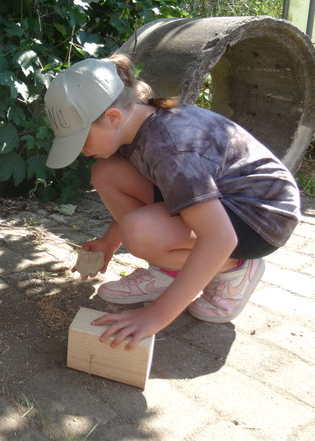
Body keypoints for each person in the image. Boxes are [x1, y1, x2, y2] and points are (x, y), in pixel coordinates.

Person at [44, 55, 300, 350]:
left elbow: (219, 236)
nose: (81, 150)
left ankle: (235, 269)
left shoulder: (171, 148)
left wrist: (155, 315)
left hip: (259, 218)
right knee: (107, 173)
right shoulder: (135, 125)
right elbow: (160, 190)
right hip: (222, 200)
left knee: (139, 231)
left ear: (113, 117)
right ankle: (170, 269)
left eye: (81, 140)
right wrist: (107, 244)